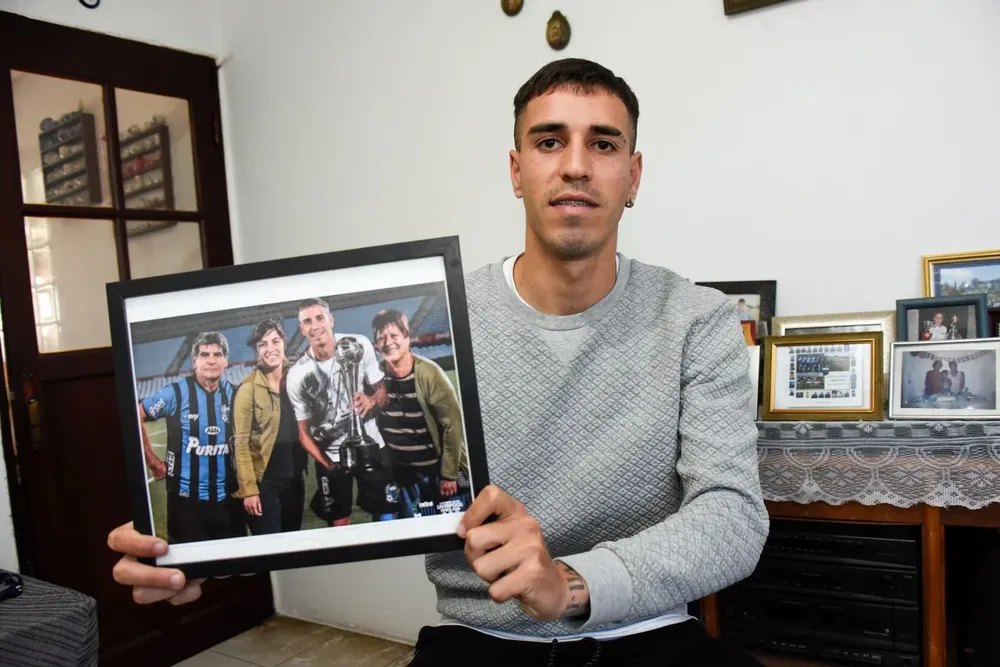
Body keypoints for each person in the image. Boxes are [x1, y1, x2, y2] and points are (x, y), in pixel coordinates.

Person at [106, 58, 769, 665]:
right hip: (480, 636)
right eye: (548, 141)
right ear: (516, 171)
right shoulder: (453, 311)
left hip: (645, 629)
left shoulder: (697, 320)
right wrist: (198, 549)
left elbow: (732, 516)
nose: (575, 165)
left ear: (633, 175)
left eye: (602, 143)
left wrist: (569, 582)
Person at [285, 297, 398, 524]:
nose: (315, 326)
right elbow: (303, 433)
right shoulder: (297, 374)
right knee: (338, 521)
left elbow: (383, 395)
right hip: (333, 454)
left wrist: (371, 401)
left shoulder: (359, 344)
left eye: (320, 318)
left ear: (331, 320)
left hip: (371, 445)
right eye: (307, 321)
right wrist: (328, 465)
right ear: (302, 329)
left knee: (387, 513)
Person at [137, 331, 243, 545]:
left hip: (229, 501)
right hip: (185, 504)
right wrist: (152, 461)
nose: (211, 360)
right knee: (191, 570)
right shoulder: (175, 393)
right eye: (205, 355)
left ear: (226, 361)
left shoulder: (236, 394)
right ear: (194, 361)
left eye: (217, 354)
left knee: (234, 567)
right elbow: (136, 415)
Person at [370, 308, 471, 518]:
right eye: (381, 338)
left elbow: (452, 425)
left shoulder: (431, 374)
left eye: (394, 335)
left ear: (407, 336)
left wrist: (448, 474)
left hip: (438, 474)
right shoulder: (375, 378)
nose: (388, 342)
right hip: (404, 479)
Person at [231, 317, 307, 535]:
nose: (270, 349)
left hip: (295, 480)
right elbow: (241, 444)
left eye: (275, 341)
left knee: (294, 543)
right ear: (257, 350)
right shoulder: (247, 389)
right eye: (263, 345)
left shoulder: (297, 377)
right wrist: (249, 491)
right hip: (265, 484)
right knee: (270, 546)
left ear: (284, 343)